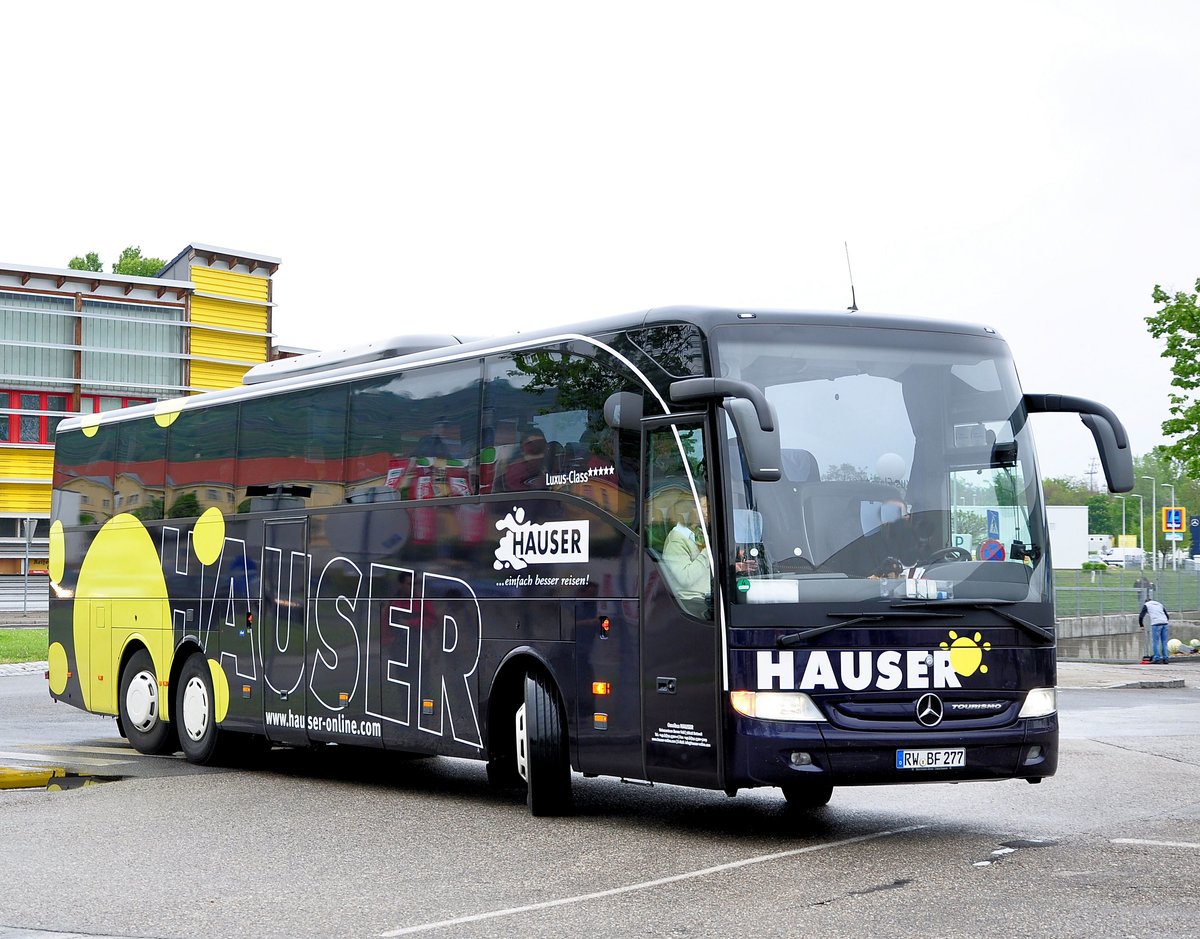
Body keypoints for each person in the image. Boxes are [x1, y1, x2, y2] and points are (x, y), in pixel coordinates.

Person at [661, 494, 712, 601]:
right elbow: (686, 578)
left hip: (706, 598)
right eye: (703, 506)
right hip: (691, 602)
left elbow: (703, 568)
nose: (707, 511)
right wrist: (708, 551)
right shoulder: (676, 539)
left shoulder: (697, 534)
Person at [1138, 596, 1171, 664]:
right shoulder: (1159, 604)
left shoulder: (1147, 605)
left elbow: (1141, 616)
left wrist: (1141, 625)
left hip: (1156, 624)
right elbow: (1167, 615)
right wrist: (1165, 622)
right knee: (1164, 642)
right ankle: (1166, 658)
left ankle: (1157, 658)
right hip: (1165, 623)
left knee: (1156, 642)